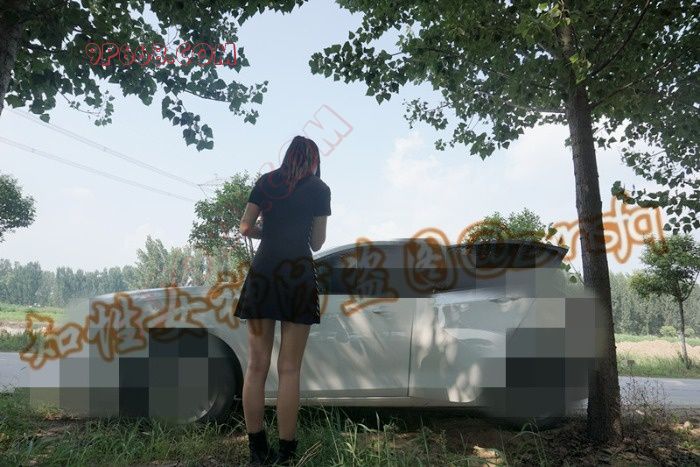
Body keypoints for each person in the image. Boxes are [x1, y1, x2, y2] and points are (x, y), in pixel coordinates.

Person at [234, 135, 331, 466]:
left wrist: (268, 232)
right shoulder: (319, 189)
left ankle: (257, 450)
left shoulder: (267, 182)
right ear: (314, 160)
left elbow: (245, 227)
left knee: (255, 365)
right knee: (289, 369)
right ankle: (286, 453)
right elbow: (317, 243)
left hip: (264, 274)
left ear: (288, 156)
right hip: (298, 277)